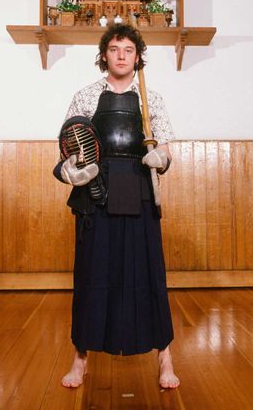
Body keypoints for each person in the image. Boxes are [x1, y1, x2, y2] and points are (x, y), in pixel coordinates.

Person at [53, 24, 179, 390]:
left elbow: (166, 148)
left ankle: (165, 358)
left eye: (128, 49)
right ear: (103, 54)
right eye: (114, 48)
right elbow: (69, 146)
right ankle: (80, 359)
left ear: (138, 57)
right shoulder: (86, 95)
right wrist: (71, 170)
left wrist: (161, 158)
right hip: (97, 185)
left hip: (137, 185)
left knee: (148, 272)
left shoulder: (150, 99)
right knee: (92, 274)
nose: (121, 55)